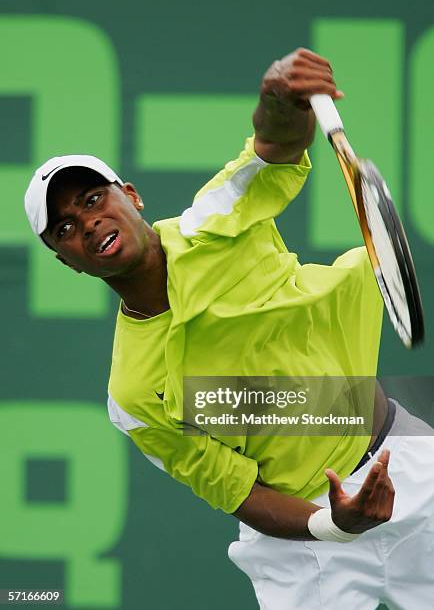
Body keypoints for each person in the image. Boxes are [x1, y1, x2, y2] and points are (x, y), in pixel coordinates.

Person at [24, 48, 434, 609]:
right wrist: (334, 525)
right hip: (304, 546)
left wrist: (277, 97)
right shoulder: (134, 395)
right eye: (65, 227)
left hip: (406, 460)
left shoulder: (218, 218)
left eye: (94, 199)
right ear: (67, 260)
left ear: (131, 196)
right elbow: (240, 491)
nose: (88, 221)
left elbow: (276, 145)